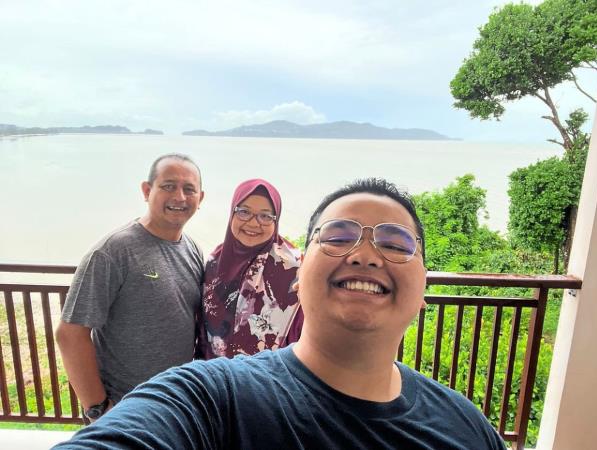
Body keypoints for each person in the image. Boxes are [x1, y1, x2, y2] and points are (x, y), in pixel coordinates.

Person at [54, 178, 506, 449]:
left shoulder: (468, 427)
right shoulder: (210, 402)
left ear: (424, 286)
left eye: (394, 243)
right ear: (302, 270)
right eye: (338, 236)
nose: (366, 255)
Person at [55, 153, 205, 422]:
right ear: (147, 191)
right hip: (125, 409)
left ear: (200, 199)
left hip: (173, 403)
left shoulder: (192, 249)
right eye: (168, 186)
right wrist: (98, 409)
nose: (180, 197)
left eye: (189, 189)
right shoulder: (113, 252)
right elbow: (70, 333)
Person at [197, 178, 302, 359]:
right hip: (215, 377)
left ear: (276, 220)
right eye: (244, 212)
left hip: (271, 379)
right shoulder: (215, 262)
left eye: (265, 216)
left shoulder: (295, 268)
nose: (254, 223)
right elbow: (202, 331)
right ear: (232, 213)